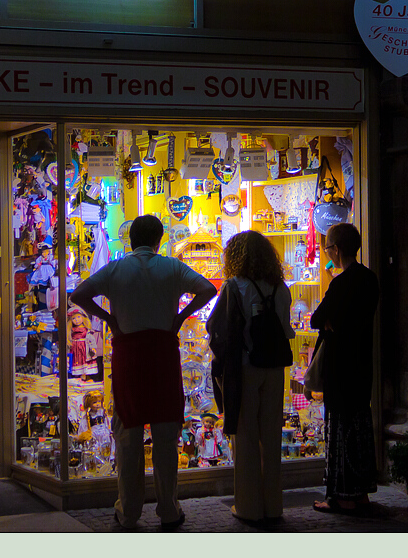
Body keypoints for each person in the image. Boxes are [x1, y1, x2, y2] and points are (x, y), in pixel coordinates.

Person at [68, 214, 215, 531]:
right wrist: (180, 317)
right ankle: (169, 510)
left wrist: (108, 318)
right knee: (165, 435)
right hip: (163, 353)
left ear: (130, 240)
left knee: (128, 435)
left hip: (129, 355)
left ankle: (129, 511)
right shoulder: (172, 267)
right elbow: (207, 290)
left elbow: (78, 296)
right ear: (159, 239)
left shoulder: (117, 268)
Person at [205, 230, 295, 524]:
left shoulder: (234, 286)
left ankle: (248, 507)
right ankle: (273, 505)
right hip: (275, 368)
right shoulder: (281, 288)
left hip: (245, 366)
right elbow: (286, 329)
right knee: (271, 437)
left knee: (245, 435)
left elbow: (215, 326)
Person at [310, 222, 380, 513]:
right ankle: (361, 493)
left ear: (336, 250)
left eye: (328, 248)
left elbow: (317, 319)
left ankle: (339, 496)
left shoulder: (340, 283)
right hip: (362, 361)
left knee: (338, 429)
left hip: (340, 366)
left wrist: (331, 322)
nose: (329, 253)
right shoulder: (370, 279)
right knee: (360, 426)